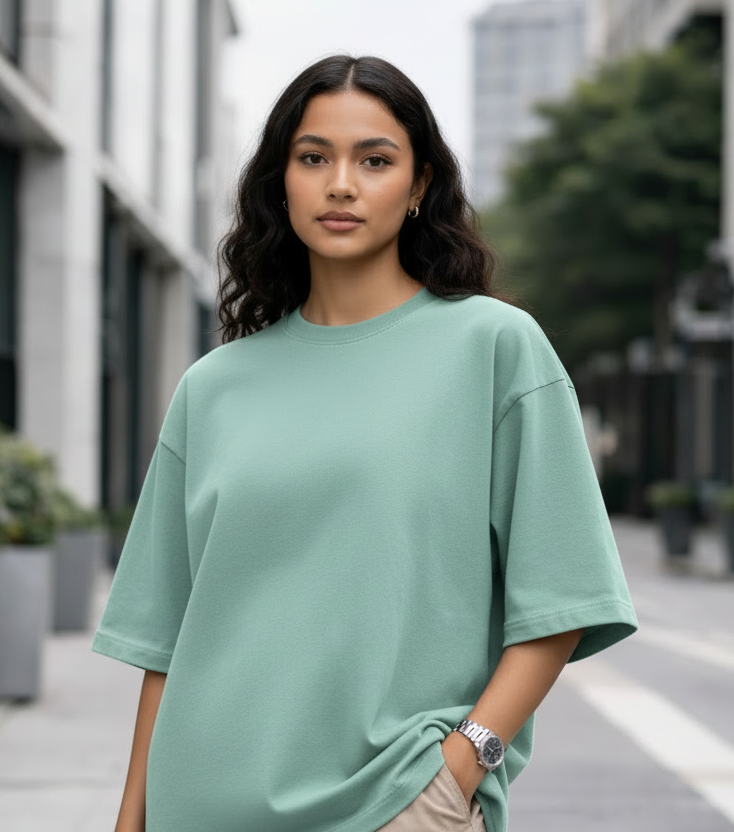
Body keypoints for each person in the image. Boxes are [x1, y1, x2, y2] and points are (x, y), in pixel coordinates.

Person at [91, 54, 639, 832]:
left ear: (418, 188)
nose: (341, 183)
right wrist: (130, 822)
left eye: (374, 160)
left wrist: (460, 768)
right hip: (202, 805)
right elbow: (167, 646)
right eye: (313, 158)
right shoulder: (212, 388)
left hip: (395, 803)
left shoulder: (493, 348)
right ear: (281, 182)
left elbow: (561, 601)